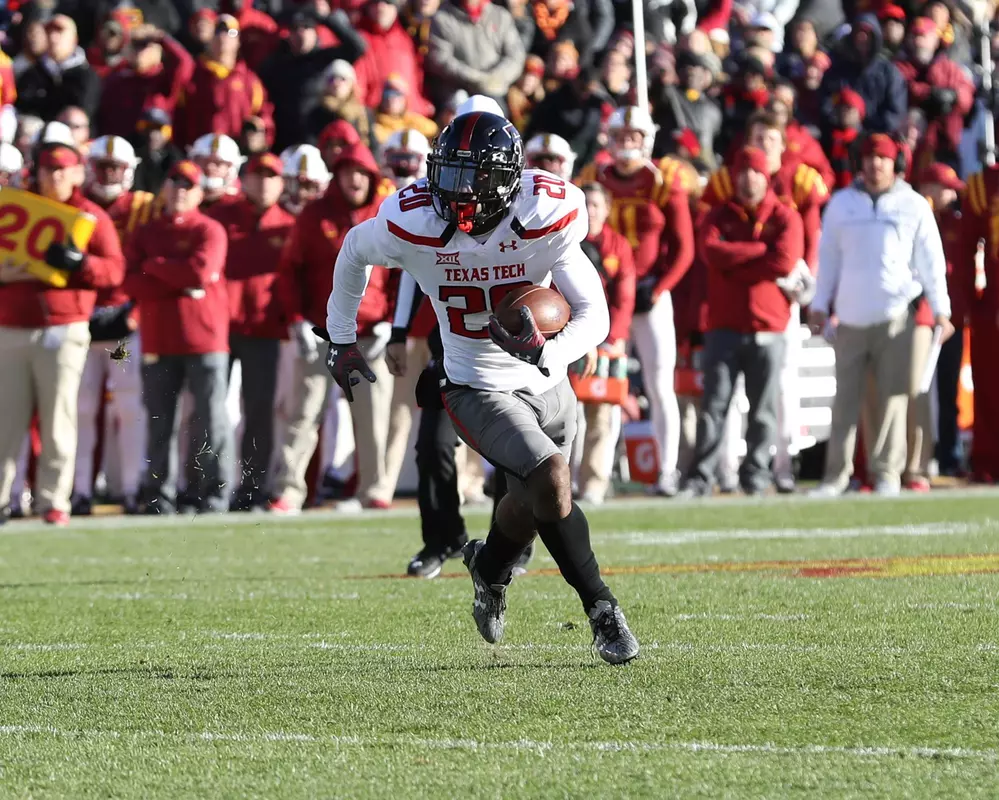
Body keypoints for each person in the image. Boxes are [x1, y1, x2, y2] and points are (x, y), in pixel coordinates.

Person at [323, 111, 639, 664]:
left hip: (547, 380)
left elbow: (595, 315)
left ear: (509, 179)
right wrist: (341, 337)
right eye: (449, 174)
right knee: (552, 478)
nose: (458, 192)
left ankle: (488, 568)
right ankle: (602, 610)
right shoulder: (414, 218)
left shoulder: (546, 213)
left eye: (474, 178)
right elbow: (353, 251)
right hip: (474, 384)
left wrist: (551, 351)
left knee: (531, 500)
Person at [809, 133, 953, 497]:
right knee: (845, 401)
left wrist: (941, 308)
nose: (875, 165)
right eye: (870, 158)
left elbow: (930, 259)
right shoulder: (841, 204)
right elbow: (828, 259)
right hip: (850, 315)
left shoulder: (914, 204)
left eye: (883, 159)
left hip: (895, 315)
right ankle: (835, 477)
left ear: (896, 164)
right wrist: (819, 303)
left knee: (893, 397)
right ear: (860, 162)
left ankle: (887, 472)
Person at [0, 139, 125, 526]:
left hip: (63, 325)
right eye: (47, 168)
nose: (53, 176)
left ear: (76, 172)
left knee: (59, 419)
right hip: (12, 326)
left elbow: (114, 271)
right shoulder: (16, 207)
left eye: (62, 168)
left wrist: (81, 264)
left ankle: (54, 500)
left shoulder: (89, 215)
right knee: (6, 421)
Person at [270, 142, 396, 514]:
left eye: (360, 172)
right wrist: (296, 320)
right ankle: (289, 489)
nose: (354, 180)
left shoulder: (385, 214)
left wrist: (390, 322)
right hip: (322, 330)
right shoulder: (314, 215)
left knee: (372, 416)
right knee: (303, 412)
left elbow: (401, 273)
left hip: (369, 332)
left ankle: (374, 488)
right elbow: (290, 270)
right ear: (336, 177)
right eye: (346, 172)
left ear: (371, 177)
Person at [578, 106, 696, 496]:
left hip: (650, 294)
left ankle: (667, 470)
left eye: (634, 136)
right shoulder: (594, 178)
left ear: (647, 139)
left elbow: (684, 249)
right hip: (604, 294)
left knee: (660, 384)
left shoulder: (664, 180)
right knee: (604, 387)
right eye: (620, 136)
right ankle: (599, 475)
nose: (627, 144)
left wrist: (660, 287)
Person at [680, 146, 804, 497]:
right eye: (742, 172)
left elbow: (784, 261)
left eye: (755, 172)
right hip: (723, 325)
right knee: (713, 407)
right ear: (734, 177)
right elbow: (711, 253)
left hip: (769, 326)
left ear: (766, 177)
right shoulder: (718, 215)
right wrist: (758, 250)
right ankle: (701, 477)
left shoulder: (784, 216)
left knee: (763, 410)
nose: (748, 179)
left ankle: (756, 476)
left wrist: (735, 260)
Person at [124, 160, 231, 514]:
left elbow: (200, 272)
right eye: (174, 182)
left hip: (205, 339)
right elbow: (130, 280)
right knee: (159, 422)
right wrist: (176, 277)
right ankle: (159, 496)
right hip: (159, 338)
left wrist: (155, 266)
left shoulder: (209, 229)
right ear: (164, 188)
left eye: (188, 184)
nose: (180, 190)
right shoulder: (146, 232)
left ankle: (213, 493)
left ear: (200, 192)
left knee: (211, 420)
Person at [207, 152, 296, 511]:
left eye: (270, 176)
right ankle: (209, 484)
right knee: (212, 409)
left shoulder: (288, 225)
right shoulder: (221, 218)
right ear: (243, 179)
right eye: (257, 176)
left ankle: (252, 485)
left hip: (265, 330)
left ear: (281, 182)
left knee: (260, 411)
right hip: (221, 329)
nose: (263, 183)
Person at [73, 135, 156, 516]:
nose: (108, 174)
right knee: (80, 407)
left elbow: (149, 265)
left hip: (123, 322)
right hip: (81, 320)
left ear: (129, 170)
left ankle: (131, 486)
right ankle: (78, 489)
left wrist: (136, 310)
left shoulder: (144, 208)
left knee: (128, 404)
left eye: (115, 167)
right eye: (102, 167)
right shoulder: (75, 207)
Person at [573, 182, 636, 504]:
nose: (591, 211)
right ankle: (565, 480)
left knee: (602, 413)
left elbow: (624, 297)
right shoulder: (565, 241)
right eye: (585, 204)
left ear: (607, 209)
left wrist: (612, 339)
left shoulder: (618, 246)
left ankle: (594, 482)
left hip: (606, 341)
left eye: (596, 205)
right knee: (567, 414)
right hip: (568, 338)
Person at [174, 15, 273, 149]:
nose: (223, 37)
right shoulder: (192, 75)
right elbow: (178, 115)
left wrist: (260, 136)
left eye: (231, 33)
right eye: (217, 31)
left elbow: (263, 115)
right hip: (199, 153)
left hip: (235, 155)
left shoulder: (250, 81)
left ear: (238, 41)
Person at [15, 15, 102, 121]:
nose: (53, 38)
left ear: (74, 39)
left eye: (60, 32)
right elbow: (21, 106)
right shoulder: (32, 73)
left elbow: (84, 113)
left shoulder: (87, 77)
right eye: (49, 32)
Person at [188, 133, 244, 208]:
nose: (210, 167)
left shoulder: (240, 204)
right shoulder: (180, 199)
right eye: (204, 161)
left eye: (218, 163)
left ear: (231, 169)